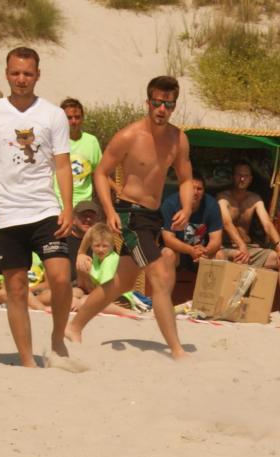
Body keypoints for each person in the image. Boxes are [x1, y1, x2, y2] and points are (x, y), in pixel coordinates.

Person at [65, 75, 193, 360]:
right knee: (159, 275)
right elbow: (101, 172)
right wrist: (109, 210)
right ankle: (176, 349)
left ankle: (74, 326)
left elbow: (185, 179)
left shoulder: (178, 139)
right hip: (129, 213)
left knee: (121, 283)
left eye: (168, 104)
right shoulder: (129, 136)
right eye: (157, 103)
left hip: (152, 216)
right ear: (148, 103)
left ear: (174, 106)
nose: (162, 109)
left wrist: (186, 207)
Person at [0, 46, 77, 369]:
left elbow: (62, 164)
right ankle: (28, 362)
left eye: (28, 73)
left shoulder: (53, 114)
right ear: (6, 73)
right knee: (15, 287)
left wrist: (67, 206)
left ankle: (57, 337)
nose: (21, 79)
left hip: (44, 209)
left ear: (38, 75)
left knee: (60, 276)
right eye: (15, 73)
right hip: (4, 213)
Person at [216, 160, 280, 305]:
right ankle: (222, 302)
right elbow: (227, 223)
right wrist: (240, 246)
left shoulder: (255, 199)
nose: (242, 179)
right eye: (239, 175)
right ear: (233, 176)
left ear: (251, 179)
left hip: (249, 248)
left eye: (246, 176)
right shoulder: (222, 197)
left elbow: (267, 224)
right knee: (220, 255)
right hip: (226, 247)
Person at [161, 177, 223, 269]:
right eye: (191, 188)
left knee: (219, 255)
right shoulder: (170, 204)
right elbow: (168, 239)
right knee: (167, 254)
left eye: (199, 189)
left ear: (204, 192)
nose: (195, 192)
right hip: (179, 251)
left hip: (202, 252)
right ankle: (169, 283)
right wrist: (190, 250)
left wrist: (205, 251)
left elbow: (216, 240)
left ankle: (212, 283)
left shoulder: (212, 205)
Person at [53, 98, 101, 210]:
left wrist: (117, 189)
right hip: (58, 204)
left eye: (77, 117)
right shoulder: (54, 141)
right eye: (69, 118)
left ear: (82, 118)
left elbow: (99, 173)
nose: (74, 121)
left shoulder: (91, 141)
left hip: (84, 205)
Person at [66, 200, 101, 285]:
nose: (88, 219)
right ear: (73, 219)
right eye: (84, 216)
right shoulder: (63, 239)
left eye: (92, 216)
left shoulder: (101, 243)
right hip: (67, 286)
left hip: (93, 286)